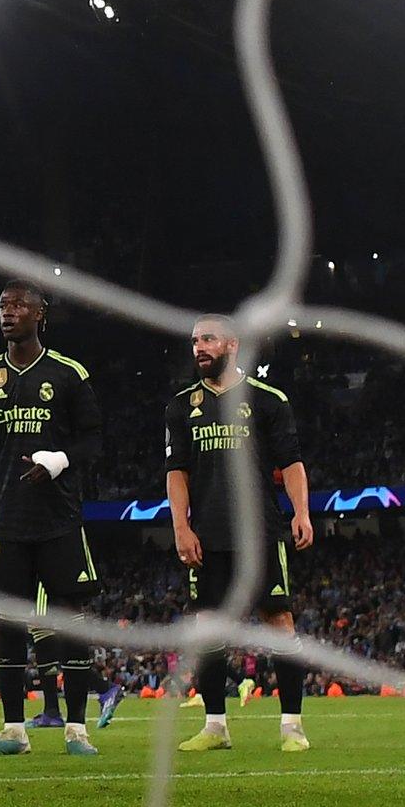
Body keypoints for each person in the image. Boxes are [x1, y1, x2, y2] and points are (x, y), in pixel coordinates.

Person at [0, 280, 104, 757]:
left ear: (41, 315)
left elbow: (93, 441)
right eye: (2, 306)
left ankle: (77, 729)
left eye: (18, 306)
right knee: (11, 626)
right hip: (9, 522)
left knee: (69, 623)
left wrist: (58, 460)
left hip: (59, 520)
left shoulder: (68, 373)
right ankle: (14, 731)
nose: (7, 313)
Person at [164, 314, 314, 752]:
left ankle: (292, 727)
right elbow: (177, 473)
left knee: (279, 623)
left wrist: (301, 511)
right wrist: (181, 527)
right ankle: (215, 727)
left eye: (208, 339)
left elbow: (291, 462)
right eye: (194, 341)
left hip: (261, 533)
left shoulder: (267, 400)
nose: (199, 348)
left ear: (232, 344)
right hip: (207, 536)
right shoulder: (181, 406)